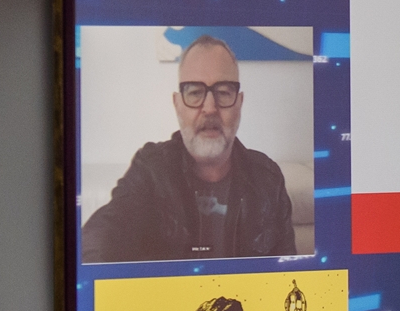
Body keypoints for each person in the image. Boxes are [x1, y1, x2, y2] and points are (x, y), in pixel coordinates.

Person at [81, 34, 298, 262]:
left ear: (240, 103)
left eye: (224, 92)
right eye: (194, 92)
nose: (210, 108)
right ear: (177, 105)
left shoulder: (268, 178)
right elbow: (103, 236)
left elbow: (289, 270)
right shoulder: (150, 171)